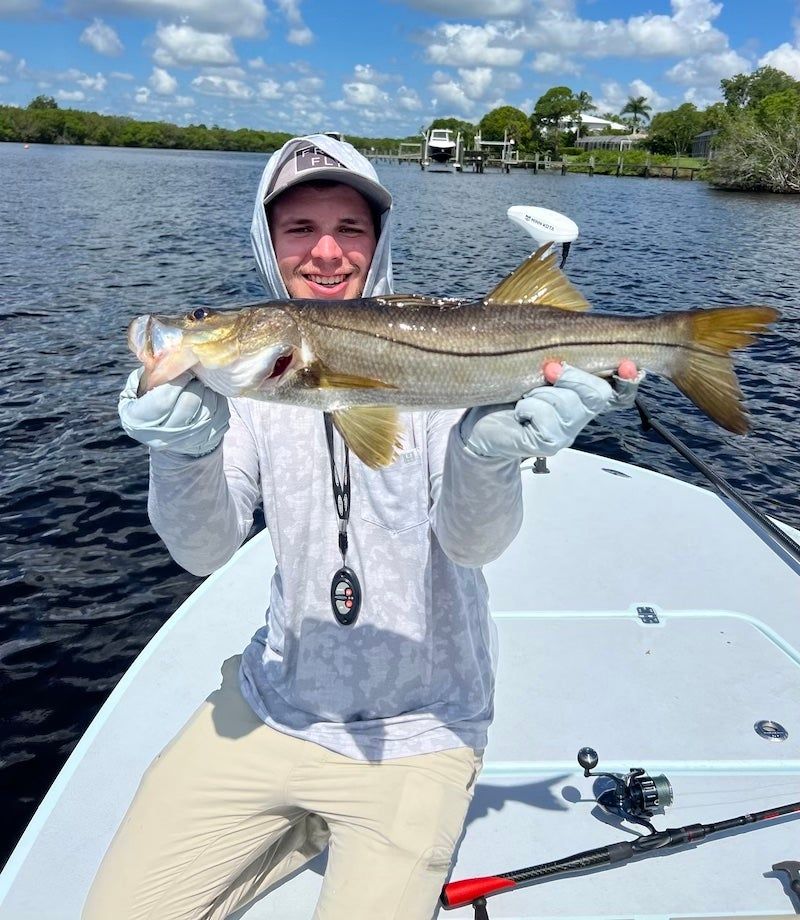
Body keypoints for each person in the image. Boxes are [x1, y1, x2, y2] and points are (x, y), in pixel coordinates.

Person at [84, 134, 640, 920]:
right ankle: (304, 823)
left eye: (351, 227)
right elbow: (204, 552)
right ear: (265, 244)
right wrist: (181, 452)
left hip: (424, 725)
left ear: (379, 242)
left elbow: (474, 547)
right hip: (272, 704)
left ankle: (315, 826)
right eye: (297, 229)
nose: (326, 252)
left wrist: (486, 457)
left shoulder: (438, 349)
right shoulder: (239, 392)